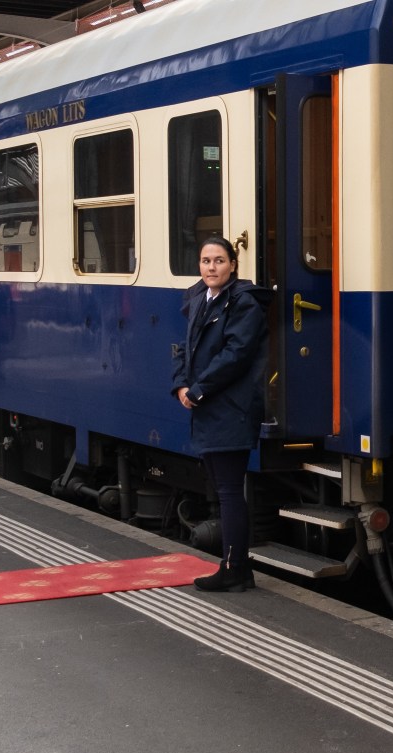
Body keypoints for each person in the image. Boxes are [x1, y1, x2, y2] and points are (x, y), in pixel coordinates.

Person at [172, 235, 271, 592]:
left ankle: (234, 569)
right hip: (209, 406)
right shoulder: (200, 298)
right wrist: (181, 385)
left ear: (233, 265)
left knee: (229, 490)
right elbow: (184, 349)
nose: (211, 267)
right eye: (205, 261)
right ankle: (237, 568)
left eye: (218, 261)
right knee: (224, 488)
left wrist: (199, 389)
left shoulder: (243, 303)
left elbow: (236, 354)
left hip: (231, 407)